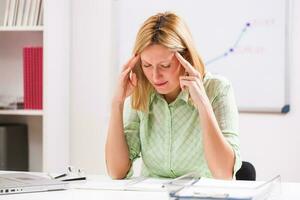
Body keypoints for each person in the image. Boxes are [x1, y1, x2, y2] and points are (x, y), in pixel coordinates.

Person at [105, 12, 242, 180]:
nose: (155, 76)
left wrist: (203, 105)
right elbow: (116, 172)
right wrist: (117, 103)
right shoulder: (143, 91)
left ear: (186, 58)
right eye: (147, 65)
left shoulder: (217, 89)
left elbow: (224, 174)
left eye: (165, 65)